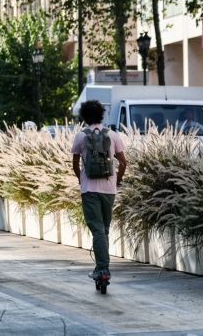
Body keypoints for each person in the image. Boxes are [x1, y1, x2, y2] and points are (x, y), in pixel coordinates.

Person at [71, 100, 127, 282]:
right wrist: (117, 180)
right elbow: (123, 162)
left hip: (90, 190)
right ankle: (101, 267)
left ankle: (102, 269)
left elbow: (75, 164)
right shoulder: (113, 134)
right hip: (109, 190)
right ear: (102, 115)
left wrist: (82, 181)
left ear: (84, 116)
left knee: (97, 229)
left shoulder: (80, 136)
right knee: (104, 229)